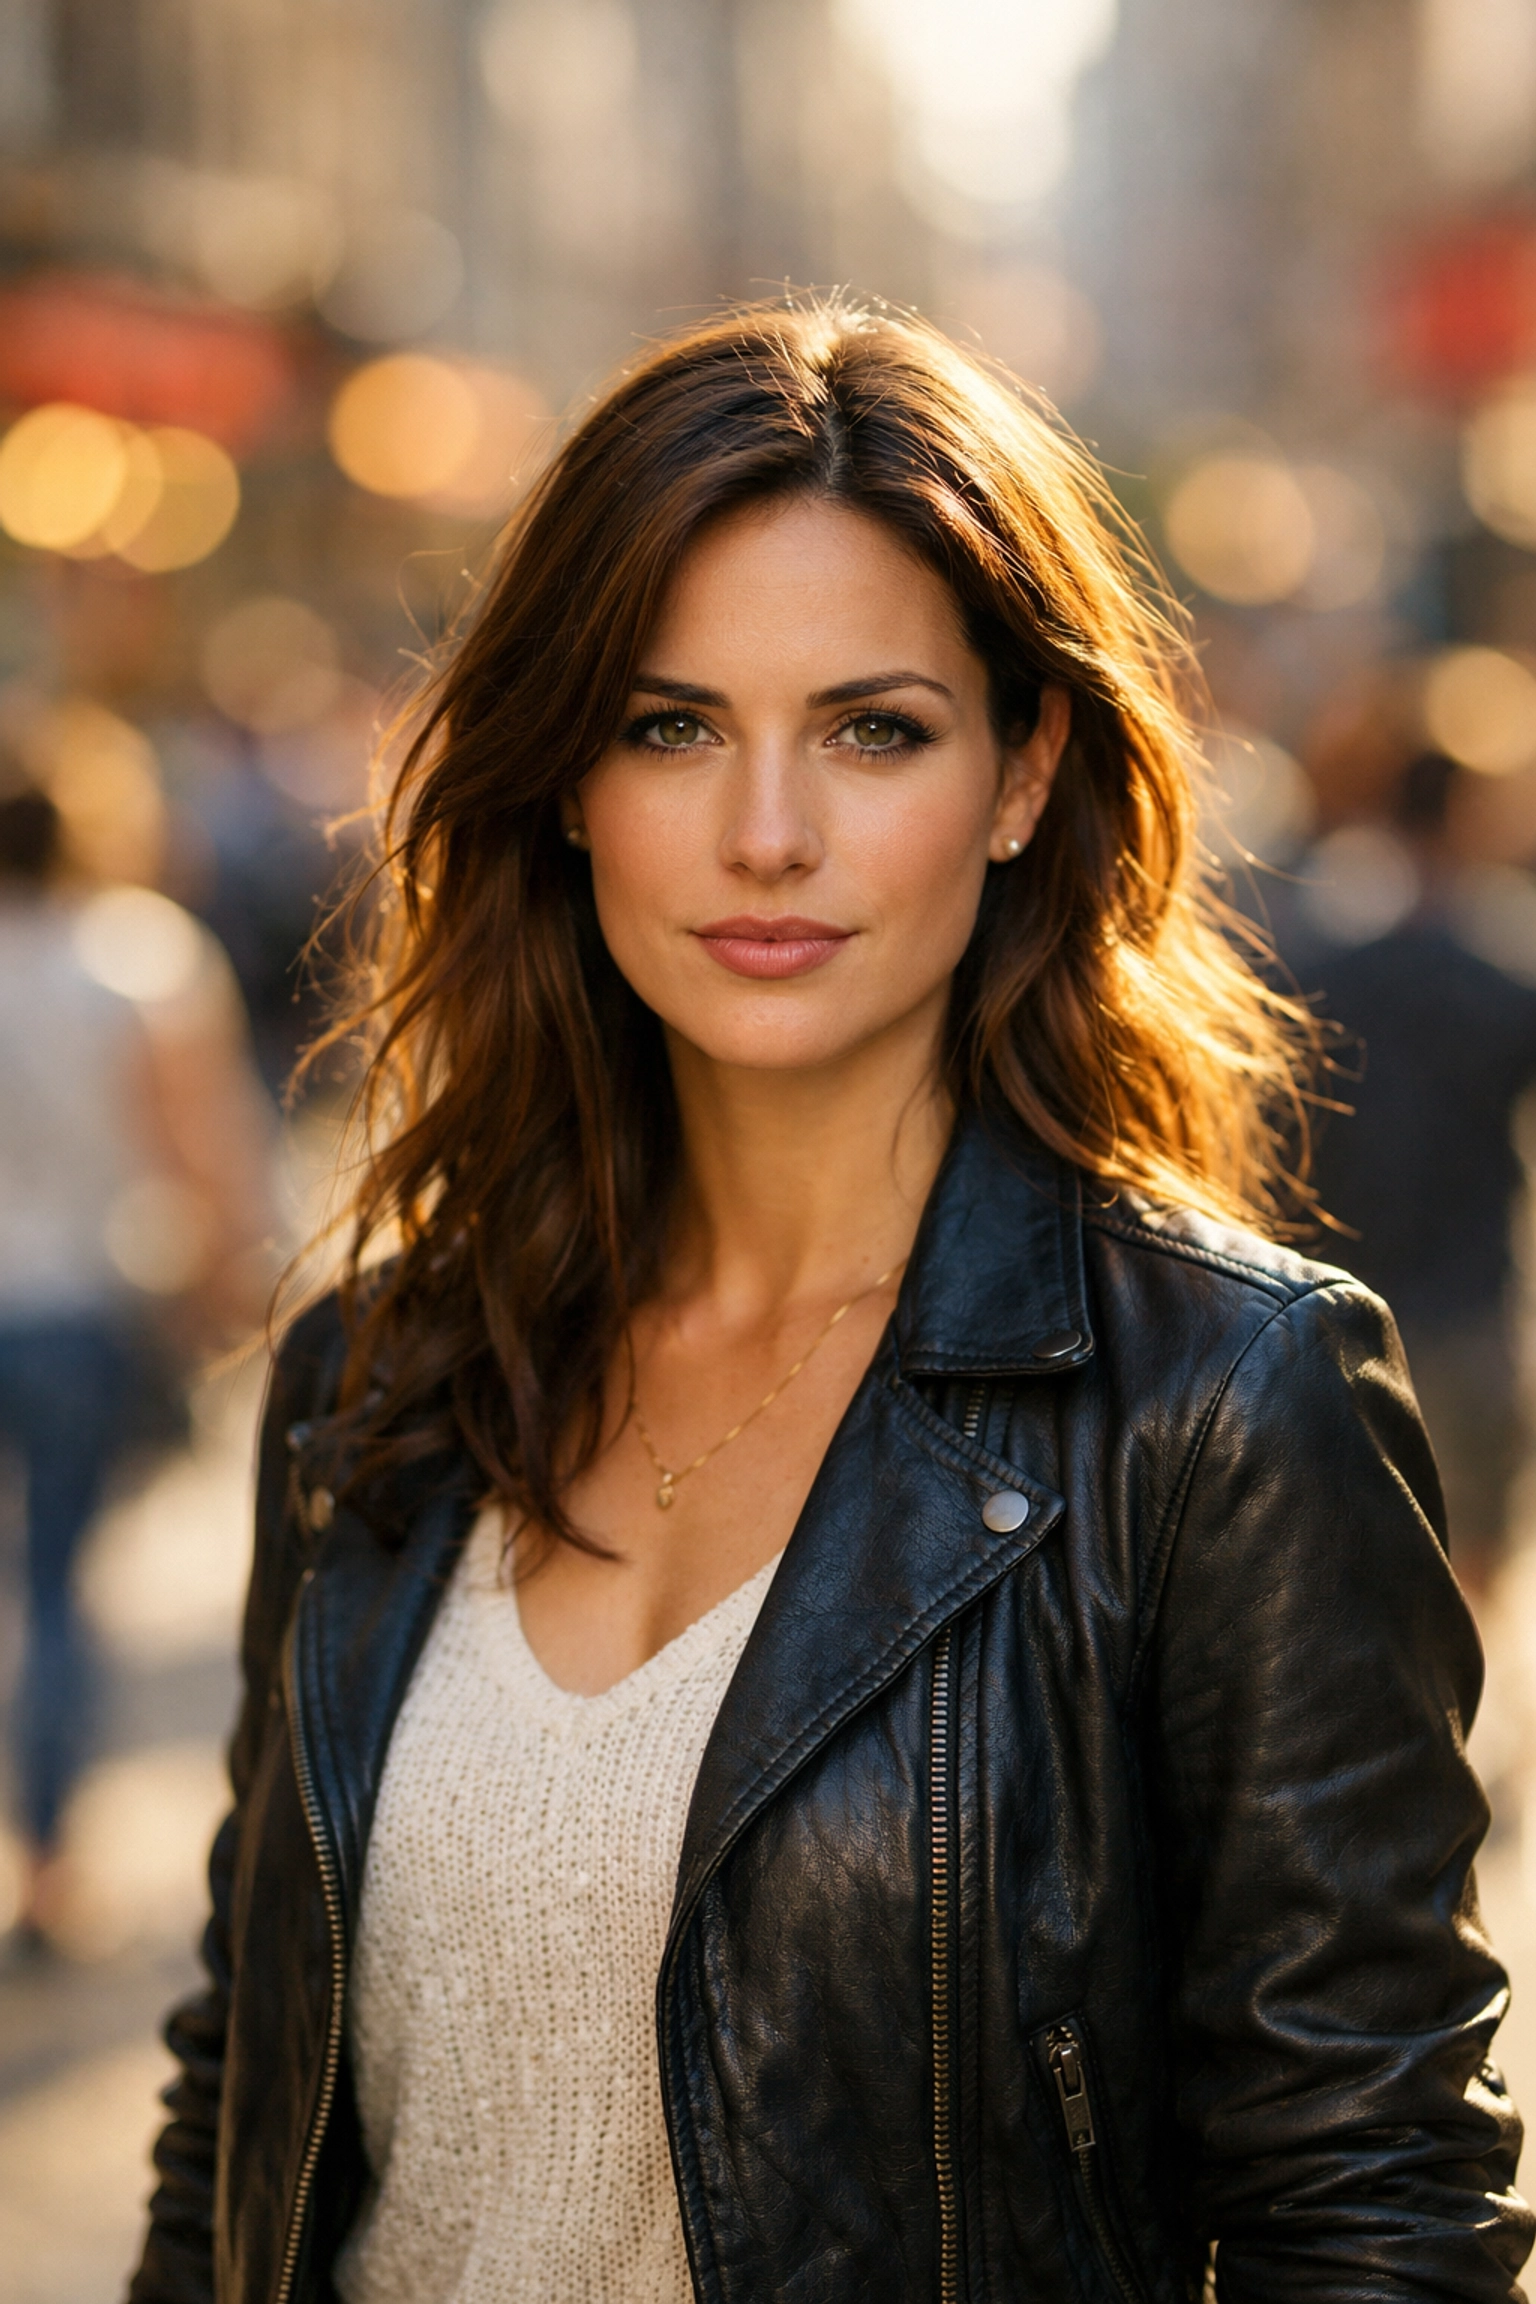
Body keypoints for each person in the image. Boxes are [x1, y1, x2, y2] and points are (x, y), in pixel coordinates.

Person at [130, 303, 1528, 2303]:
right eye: (668, 724)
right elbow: (236, 2111)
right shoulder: (383, 1374)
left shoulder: (1224, 1406)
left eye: (874, 729)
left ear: (1027, 769)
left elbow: (1377, 2212)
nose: (764, 832)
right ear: (565, 783)